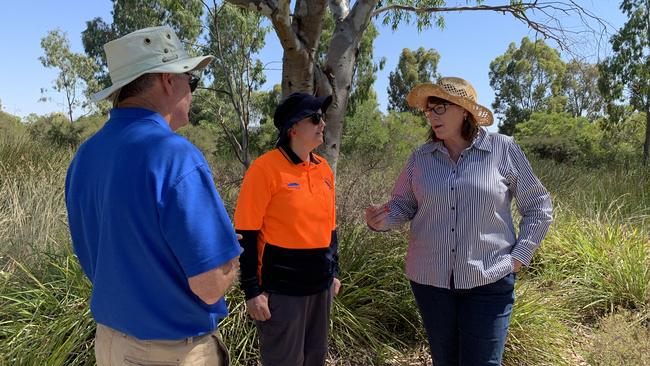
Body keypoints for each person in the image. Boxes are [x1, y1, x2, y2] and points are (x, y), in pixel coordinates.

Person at [65, 26, 241, 366]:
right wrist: (229, 257)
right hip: (171, 353)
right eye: (192, 79)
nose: (192, 90)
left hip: (110, 345)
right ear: (166, 79)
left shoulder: (85, 156)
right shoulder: (174, 155)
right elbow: (210, 285)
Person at [365, 77, 553, 366]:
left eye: (439, 108)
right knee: (446, 361)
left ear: (464, 111)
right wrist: (382, 219)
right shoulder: (420, 158)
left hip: (489, 278)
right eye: (428, 111)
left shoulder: (502, 149)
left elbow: (539, 206)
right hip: (431, 283)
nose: (431, 116)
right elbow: (404, 205)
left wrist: (519, 258)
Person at [234, 93, 341, 366]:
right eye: (315, 118)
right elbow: (245, 233)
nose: (322, 124)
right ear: (293, 127)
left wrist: (334, 273)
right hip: (281, 293)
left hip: (320, 288)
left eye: (323, 117)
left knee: (314, 359)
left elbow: (331, 228)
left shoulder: (324, 169)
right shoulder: (264, 169)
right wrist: (252, 292)